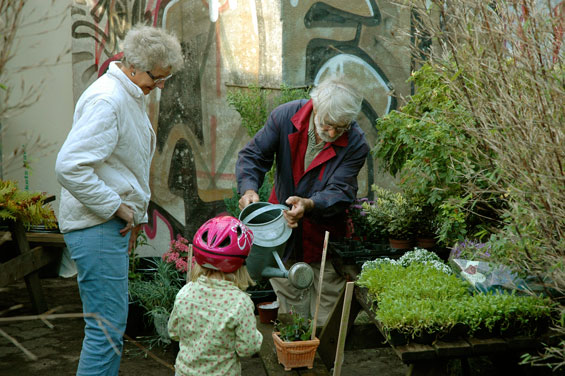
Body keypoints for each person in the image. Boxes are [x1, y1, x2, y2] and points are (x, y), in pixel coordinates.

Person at [55, 25, 183, 375]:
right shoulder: (108, 100)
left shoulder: (128, 93)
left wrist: (130, 212)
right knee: (106, 328)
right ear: (133, 66)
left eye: (164, 79)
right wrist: (116, 207)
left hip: (106, 227)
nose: (160, 85)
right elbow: (69, 166)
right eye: (157, 78)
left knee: (110, 324)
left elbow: (118, 164)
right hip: (96, 225)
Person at [236, 75, 369, 326]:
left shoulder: (355, 141)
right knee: (291, 315)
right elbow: (253, 156)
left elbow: (340, 191)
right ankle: (296, 359)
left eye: (341, 127)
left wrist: (309, 205)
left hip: (326, 241)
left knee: (327, 314)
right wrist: (248, 190)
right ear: (315, 107)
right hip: (281, 231)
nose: (332, 133)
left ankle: (323, 360)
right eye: (328, 124)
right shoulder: (284, 117)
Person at [168, 216, 262, 376]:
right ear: (241, 263)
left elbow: (174, 332)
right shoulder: (240, 303)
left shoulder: (185, 292)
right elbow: (248, 348)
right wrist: (257, 336)